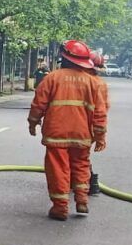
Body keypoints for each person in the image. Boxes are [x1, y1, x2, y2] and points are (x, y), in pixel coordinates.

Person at [28, 40, 108, 221]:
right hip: (82, 134)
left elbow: (38, 105)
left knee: (58, 168)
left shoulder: (52, 78)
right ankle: (81, 200)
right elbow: (100, 113)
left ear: (63, 57)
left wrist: (32, 123)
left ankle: (60, 207)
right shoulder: (92, 82)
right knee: (80, 165)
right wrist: (100, 136)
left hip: (56, 133)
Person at [87, 52, 110, 195]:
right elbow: (103, 110)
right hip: (92, 127)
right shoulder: (100, 83)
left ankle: (88, 182)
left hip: (79, 125)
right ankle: (90, 182)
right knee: (81, 155)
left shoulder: (86, 81)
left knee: (75, 157)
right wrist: (100, 135)